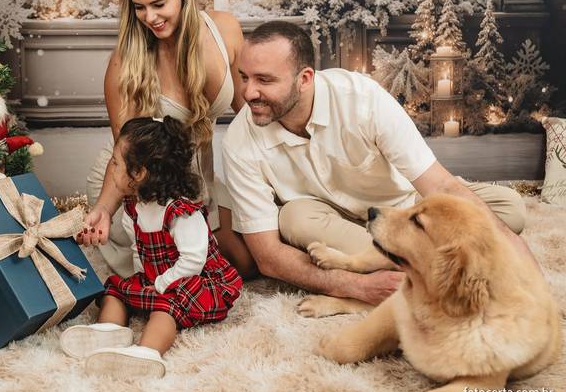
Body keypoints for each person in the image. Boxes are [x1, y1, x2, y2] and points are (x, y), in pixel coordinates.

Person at [220, 20, 530, 306]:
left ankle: (409, 261)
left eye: (264, 80)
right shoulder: (239, 139)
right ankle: (423, 264)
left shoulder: (361, 98)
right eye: (244, 77)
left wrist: (526, 269)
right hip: (324, 219)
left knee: (508, 209)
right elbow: (268, 257)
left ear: (304, 79)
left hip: (402, 209)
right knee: (293, 218)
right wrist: (355, 286)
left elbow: (439, 184)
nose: (248, 93)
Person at [80, 0, 253, 279]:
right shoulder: (125, 63)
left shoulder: (225, 30)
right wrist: (103, 207)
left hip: (199, 181)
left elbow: (247, 111)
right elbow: (126, 156)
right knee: (184, 279)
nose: (150, 17)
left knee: (247, 266)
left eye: (159, 4)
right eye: (140, 7)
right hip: (146, 188)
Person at [63, 117, 243, 377]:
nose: (111, 168)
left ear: (139, 174)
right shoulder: (133, 207)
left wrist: (160, 285)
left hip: (194, 281)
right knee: (115, 289)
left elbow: (193, 261)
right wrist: (143, 280)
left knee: (164, 308)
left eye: (115, 163)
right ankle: (109, 332)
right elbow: (138, 249)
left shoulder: (181, 212)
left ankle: (147, 352)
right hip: (158, 277)